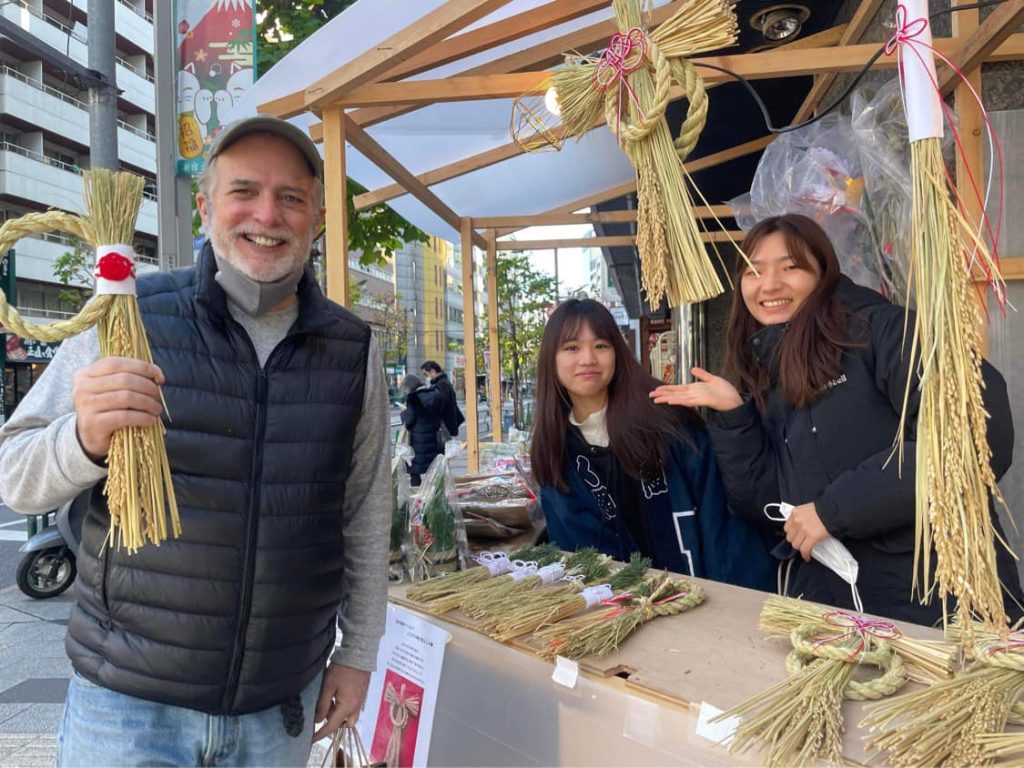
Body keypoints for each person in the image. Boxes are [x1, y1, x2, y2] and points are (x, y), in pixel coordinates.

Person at [0, 115, 391, 766]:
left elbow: (365, 514)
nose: (267, 214)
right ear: (207, 206)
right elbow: (13, 473)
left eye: (291, 197)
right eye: (244, 191)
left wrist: (357, 655)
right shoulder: (128, 315)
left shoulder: (354, 350)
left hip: (279, 712)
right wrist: (85, 439)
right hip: (126, 713)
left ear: (316, 219)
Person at [652, 212, 1023, 625]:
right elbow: (768, 504)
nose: (769, 284)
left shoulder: (884, 331)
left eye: (789, 267)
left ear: (822, 272)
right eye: (754, 270)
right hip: (836, 606)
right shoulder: (765, 364)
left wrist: (834, 511)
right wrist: (735, 417)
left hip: (938, 601)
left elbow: (973, 436)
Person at [530, 299, 776, 591]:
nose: (587, 359)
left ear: (617, 353)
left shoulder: (666, 420)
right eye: (571, 348)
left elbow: (722, 522)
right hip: (619, 612)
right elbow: (576, 553)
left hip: (702, 601)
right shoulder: (555, 448)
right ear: (551, 358)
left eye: (601, 345)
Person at [400, 373, 445, 486]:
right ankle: (435, 494)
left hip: (418, 441)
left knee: (415, 472)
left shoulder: (413, 398)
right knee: (433, 470)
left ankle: (417, 496)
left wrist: (403, 413)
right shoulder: (435, 394)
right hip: (433, 438)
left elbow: (409, 420)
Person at [420, 360, 464, 438]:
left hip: (445, 426)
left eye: (425, 374)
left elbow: (440, 404)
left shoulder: (441, 384)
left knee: (444, 447)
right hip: (447, 425)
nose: (425, 377)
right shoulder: (443, 382)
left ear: (433, 371)